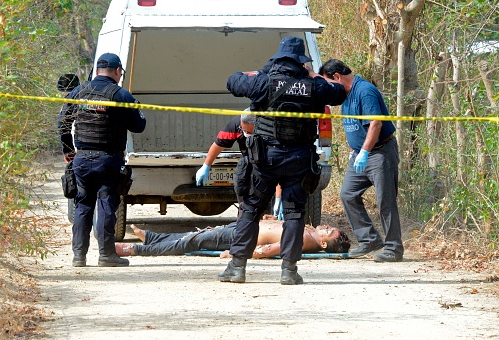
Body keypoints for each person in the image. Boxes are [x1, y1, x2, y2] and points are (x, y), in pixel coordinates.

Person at [222, 36, 347, 285]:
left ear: (278, 59)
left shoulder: (263, 82)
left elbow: (232, 81)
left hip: (265, 158)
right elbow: (339, 92)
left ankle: (237, 267)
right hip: (299, 159)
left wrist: (263, 70)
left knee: (250, 209)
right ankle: (289, 271)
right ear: (302, 62)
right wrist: (312, 74)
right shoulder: (314, 86)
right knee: (294, 214)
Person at [58, 53, 146, 267]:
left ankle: (79, 256)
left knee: (83, 206)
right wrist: (134, 109)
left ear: (97, 70)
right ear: (117, 71)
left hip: (82, 158)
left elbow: (62, 122)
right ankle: (106, 255)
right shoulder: (120, 95)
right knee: (106, 205)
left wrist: (69, 150)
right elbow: (139, 126)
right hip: (108, 160)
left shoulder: (78, 92)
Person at [319, 59, 403, 263]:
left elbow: (375, 124)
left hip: (379, 152)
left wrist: (364, 152)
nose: (329, 88)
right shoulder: (344, 95)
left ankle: (393, 247)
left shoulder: (365, 91)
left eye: (329, 83)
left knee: (385, 200)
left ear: (337, 77)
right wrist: (353, 151)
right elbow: (352, 127)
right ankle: (369, 240)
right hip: (358, 154)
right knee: (348, 194)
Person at [115, 218, 350, 257]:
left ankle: (136, 250)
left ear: (323, 243)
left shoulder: (301, 241)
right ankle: (153, 238)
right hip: (245, 226)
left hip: (242, 237)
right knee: (198, 235)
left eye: (330, 232)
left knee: (192, 242)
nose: (327, 226)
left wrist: (236, 253)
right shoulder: (308, 231)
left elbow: (268, 250)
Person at [195, 110, 255, 190]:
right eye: (243, 130)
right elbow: (219, 144)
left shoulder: (268, 128)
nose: (245, 133)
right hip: (248, 159)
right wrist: (206, 166)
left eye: (248, 131)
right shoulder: (236, 124)